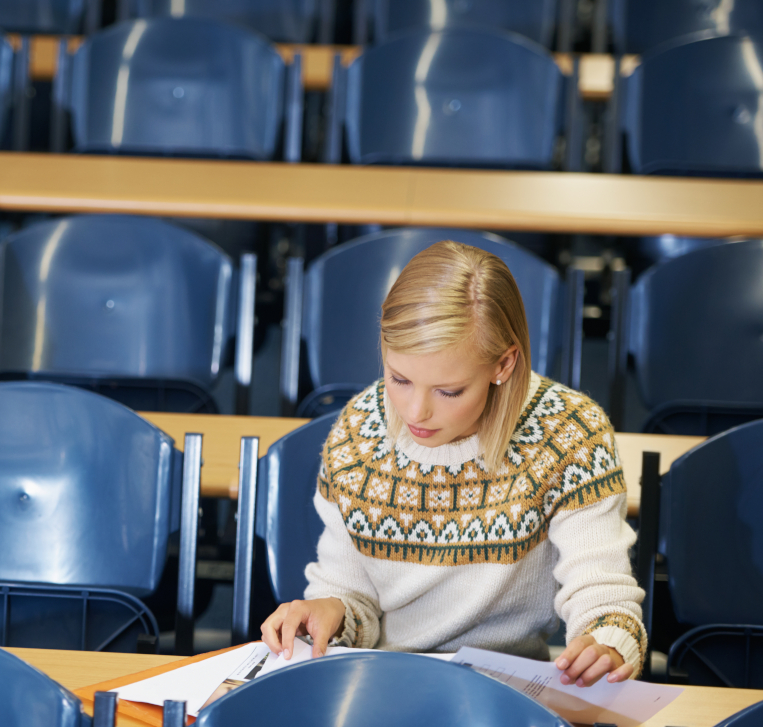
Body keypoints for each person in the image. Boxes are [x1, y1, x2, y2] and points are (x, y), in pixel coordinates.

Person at [261, 241, 646, 686]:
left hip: (507, 691)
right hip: (385, 684)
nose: (415, 412)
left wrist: (608, 641)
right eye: (399, 379)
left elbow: (601, 590)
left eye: (448, 391)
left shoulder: (569, 434)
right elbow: (350, 594)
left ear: (503, 363)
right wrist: (328, 610)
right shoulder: (359, 431)